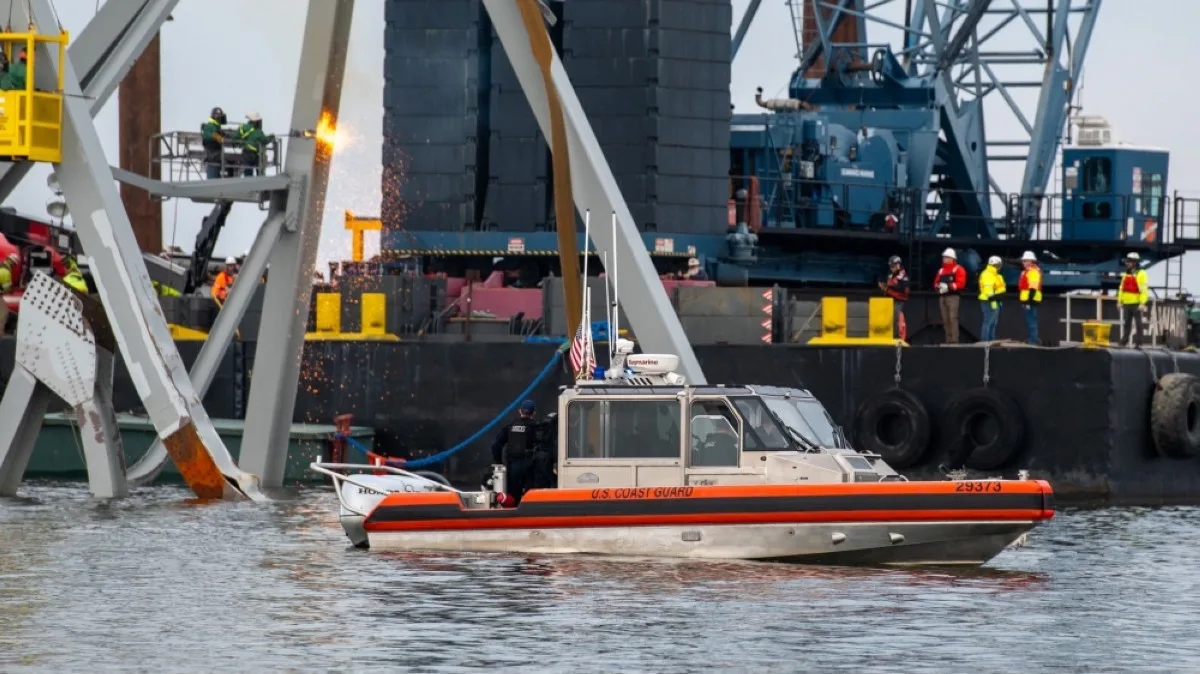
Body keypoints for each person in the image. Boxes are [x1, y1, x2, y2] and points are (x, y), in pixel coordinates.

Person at [490, 399, 539, 503]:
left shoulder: (511, 426)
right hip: (530, 466)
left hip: (513, 467)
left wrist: (499, 462)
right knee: (531, 496)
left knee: (513, 497)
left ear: (519, 411)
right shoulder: (536, 426)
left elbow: (496, 445)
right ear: (534, 413)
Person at [934, 247, 966, 344]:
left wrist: (948, 287)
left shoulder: (958, 269)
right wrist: (938, 286)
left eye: (947, 257)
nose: (945, 259)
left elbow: (961, 283)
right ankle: (948, 340)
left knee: (952, 318)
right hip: (942, 297)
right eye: (944, 257)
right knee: (945, 319)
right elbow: (935, 282)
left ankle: (954, 340)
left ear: (953, 258)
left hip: (953, 297)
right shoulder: (941, 271)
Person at [1118, 252, 1150, 347]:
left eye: (1129, 262)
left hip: (1136, 303)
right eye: (1127, 261)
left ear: (1134, 263)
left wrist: (1142, 303)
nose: (1127, 263)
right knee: (1127, 323)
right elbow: (1122, 289)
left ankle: (1139, 342)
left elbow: (1144, 290)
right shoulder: (1126, 274)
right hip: (1127, 303)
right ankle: (1124, 341)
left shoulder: (1141, 274)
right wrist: (1119, 301)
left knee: (1138, 323)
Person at [878, 255, 909, 340]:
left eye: (893, 265)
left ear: (898, 265)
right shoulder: (890, 274)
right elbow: (887, 282)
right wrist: (882, 285)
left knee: (897, 318)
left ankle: (898, 338)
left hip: (899, 300)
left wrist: (887, 287)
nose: (891, 268)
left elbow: (902, 287)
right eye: (891, 266)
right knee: (888, 318)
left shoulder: (903, 275)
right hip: (889, 300)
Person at [238, 112, 275, 176]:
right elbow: (264, 140)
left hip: (246, 153)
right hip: (255, 154)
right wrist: (271, 137)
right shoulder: (259, 132)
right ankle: (259, 178)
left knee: (248, 171)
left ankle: (248, 180)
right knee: (259, 168)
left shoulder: (243, 128)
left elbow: (235, 137)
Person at [978, 255, 1005, 342]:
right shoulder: (988, 274)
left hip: (995, 300)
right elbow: (988, 289)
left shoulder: (995, 275)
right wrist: (994, 298)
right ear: (998, 264)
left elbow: (1000, 288)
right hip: (989, 301)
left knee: (993, 323)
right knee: (988, 322)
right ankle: (985, 342)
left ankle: (991, 340)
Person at [1018, 251, 1042, 345]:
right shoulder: (1027, 271)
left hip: (1031, 300)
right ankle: (1032, 338)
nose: (1023, 262)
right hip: (1027, 300)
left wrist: (1028, 301)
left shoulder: (1033, 272)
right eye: (1023, 261)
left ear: (1030, 261)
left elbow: (1033, 288)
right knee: (1030, 320)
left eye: (1025, 261)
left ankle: (1033, 340)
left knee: (1031, 321)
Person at [201, 107, 228, 179]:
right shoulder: (210, 126)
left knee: (216, 178)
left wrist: (221, 135)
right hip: (212, 159)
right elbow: (208, 136)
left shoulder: (215, 126)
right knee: (213, 179)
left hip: (216, 158)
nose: (221, 119)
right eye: (220, 117)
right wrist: (218, 137)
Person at [0, 252, 17, 335]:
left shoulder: (1, 266)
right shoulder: (6, 272)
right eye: (14, 264)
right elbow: (6, 289)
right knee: (4, 314)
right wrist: (11, 290)